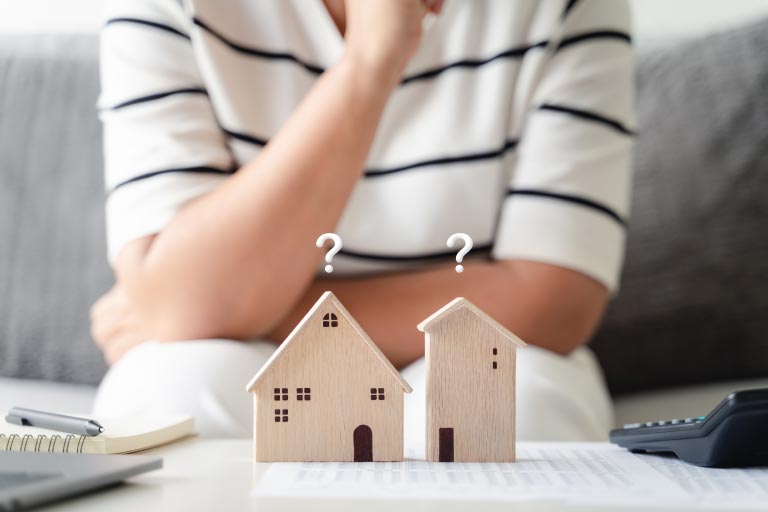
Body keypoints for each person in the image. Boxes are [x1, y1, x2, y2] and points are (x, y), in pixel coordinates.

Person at [90, 0, 634, 449]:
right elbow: (180, 302)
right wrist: (370, 61)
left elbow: (554, 299)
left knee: (514, 405)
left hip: (459, 347)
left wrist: (236, 308)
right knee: (164, 396)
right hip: (244, 356)